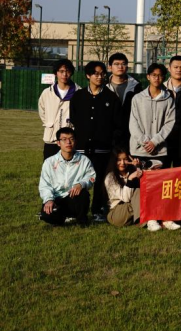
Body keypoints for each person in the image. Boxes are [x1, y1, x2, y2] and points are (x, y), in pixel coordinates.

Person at [70, 60, 122, 222]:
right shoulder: (78, 96)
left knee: (100, 180)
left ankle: (97, 210)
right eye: (95, 74)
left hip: (103, 148)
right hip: (82, 147)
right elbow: (74, 119)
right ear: (88, 75)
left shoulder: (111, 97)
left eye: (102, 74)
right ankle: (76, 211)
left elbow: (117, 124)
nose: (99, 77)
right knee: (78, 179)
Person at [39, 127, 95, 226]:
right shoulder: (49, 162)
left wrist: (81, 184)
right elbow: (45, 185)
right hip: (56, 198)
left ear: (75, 141)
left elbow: (91, 177)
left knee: (83, 194)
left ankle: (82, 221)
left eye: (71, 139)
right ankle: (61, 218)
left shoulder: (84, 160)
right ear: (58, 143)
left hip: (73, 197)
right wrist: (49, 200)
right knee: (46, 215)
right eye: (64, 139)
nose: (68, 142)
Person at [129, 63, 176, 168]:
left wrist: (155, 142)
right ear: (148, 77)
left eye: (160, 75)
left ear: (164, 77)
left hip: (159, 150)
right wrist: (145, 142)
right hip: (139, 149)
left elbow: (169, 123)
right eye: (154, 75)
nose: (157, 78)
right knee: (139, 178)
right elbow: (133, 124)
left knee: (159, 178)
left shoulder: (168, 100)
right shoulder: (137, 98)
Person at [38, 59, 77, 159]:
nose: (64, 74)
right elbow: (42, 112)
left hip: (69, 140)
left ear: (71, 73)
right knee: (50, 166)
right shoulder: (47, 93)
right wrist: (50, 123)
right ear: (56, 73)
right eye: (61, 71)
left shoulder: (78, 92)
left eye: (67, 71)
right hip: (51, 139)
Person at [106, 52, 142, 147]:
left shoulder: (136, 86)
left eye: (123, 64)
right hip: (108, 132)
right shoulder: (104, 86)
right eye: (116, 64)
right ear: (110, 67)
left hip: (130, 132)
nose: (120, 67)